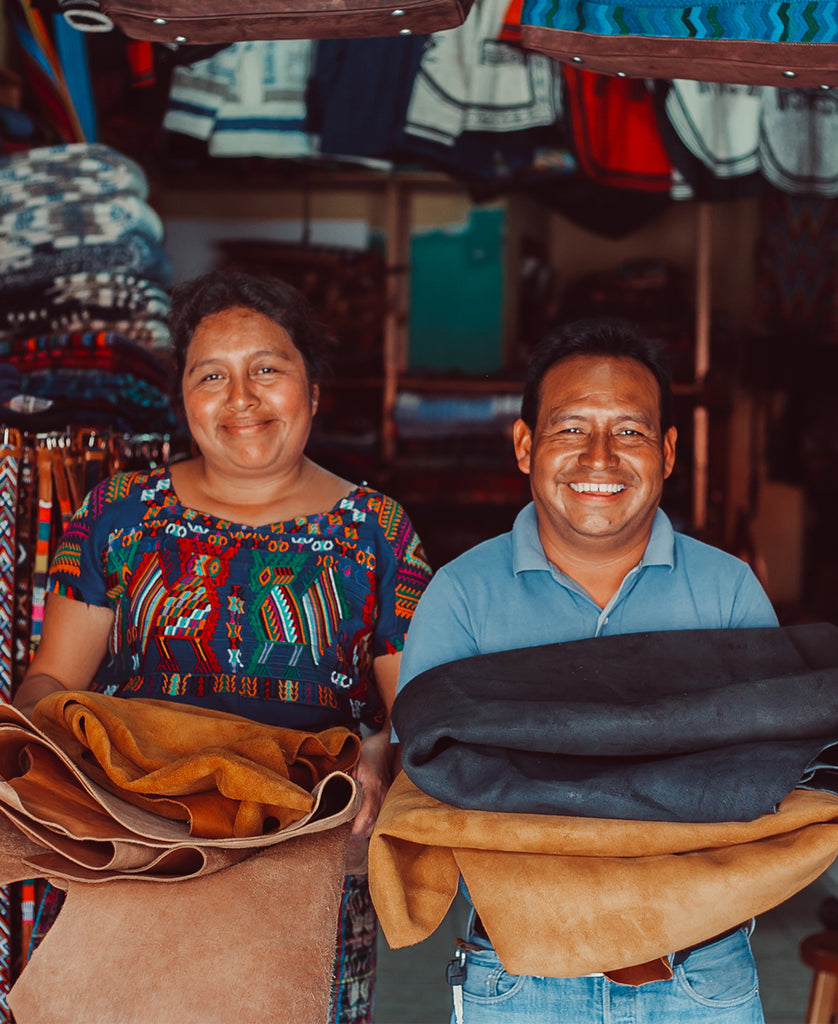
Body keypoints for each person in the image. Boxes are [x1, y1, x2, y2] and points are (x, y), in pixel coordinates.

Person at [13, 268, 432, 1024]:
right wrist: (70, 751)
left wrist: (376, 757)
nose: (241, 398)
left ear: (313, 390)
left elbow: (416, 715)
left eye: (267, 369)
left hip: (306, 858)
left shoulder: (379, 531)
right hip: (138, 848)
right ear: (183, 396)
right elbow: (47, 681)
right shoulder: (116, 514)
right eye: (212, 375)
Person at [394, 316, 778, 1024]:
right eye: (571, 428)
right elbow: (426, 781)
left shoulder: (728, 592)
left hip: (700, 974)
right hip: (518, 974)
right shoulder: (462, 594)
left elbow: (766, 781)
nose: (600, 457)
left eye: (629, 431)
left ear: (668, 452)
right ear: (524, 445)